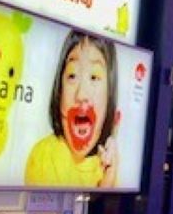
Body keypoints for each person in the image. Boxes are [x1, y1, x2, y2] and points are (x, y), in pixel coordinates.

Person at [24, 31, 120, 188]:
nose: (82, 94)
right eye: (72, 76)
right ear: (59, 91)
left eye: (94, 77)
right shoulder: (44, 157)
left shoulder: (107, 166)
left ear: (109, 97)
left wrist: (108, 182)